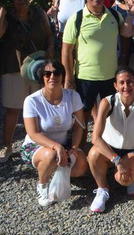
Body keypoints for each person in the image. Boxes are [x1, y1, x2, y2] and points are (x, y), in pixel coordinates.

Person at [62, 0, 134, 146]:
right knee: (82, 119)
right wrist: (69, 78)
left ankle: (108, 155)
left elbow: (125, 35)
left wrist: (123, 60)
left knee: (110, 118)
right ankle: (78, 156)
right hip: (84, 78)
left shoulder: (114, 15)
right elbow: (66, 50)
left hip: (110, 77)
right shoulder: (77, 18)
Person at [0, 0, 54, 164]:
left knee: (40, 107)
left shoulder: (39, 14)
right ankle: (7, 146)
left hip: (38, 68)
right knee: (13, 109)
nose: (22, 0)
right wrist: (1, 12)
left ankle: (38, 144)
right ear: (11, 0)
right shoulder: (7, 17)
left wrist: (49, 48)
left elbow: (49, 35)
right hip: (14, 68)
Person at [87, 66, 134, 213]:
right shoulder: (107, 102)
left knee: (124, 180)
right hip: (110, 146)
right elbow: (95, 138)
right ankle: (102, 189)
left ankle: (133, 175)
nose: (126, 86)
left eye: (130, 82)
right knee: (93, 154)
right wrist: (117, 161)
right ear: (115, 85)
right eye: (121, 83)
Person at [21, 60, 89, 207]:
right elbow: (33, 134)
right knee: (51, 155)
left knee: (81, 166)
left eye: (56, 72)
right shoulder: (32, 101)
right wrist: (56, 146)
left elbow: (79, 126)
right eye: (47, 73)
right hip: (37, 145)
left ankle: (55, 169)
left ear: (62, 76)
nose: (52, 76)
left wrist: (75, 147)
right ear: (42, 77)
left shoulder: (72, 96)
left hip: (64, 143)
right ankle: (42, 185)